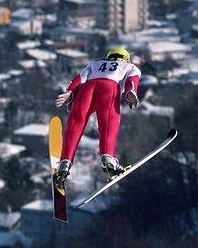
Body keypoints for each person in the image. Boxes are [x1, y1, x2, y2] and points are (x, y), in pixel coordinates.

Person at [54, 47, 141, 185]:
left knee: (75, 122)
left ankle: (65, 163)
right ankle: (108, 159)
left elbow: (80, 79)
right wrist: (130, 92)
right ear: (125, 58)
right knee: (108, 123)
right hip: (109, 88)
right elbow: (132, 79)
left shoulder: (95, 64)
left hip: (87, 89)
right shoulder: (129, 66)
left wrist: (70, 92)